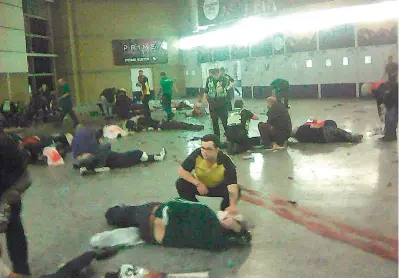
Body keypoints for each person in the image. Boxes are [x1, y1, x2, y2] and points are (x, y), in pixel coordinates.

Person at [105, 198, 251, 250]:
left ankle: (116, 212)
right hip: (154, 239)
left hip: (149, 216)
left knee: (119, 213)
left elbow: (173, 204)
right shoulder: (219, 243)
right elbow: (246, 238)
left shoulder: (204, 212)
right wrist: (236, 227)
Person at [175, 134, 240, 211]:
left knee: (237, 191)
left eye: (209, 149)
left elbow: (232, 187)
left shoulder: (226, 162)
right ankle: (196, 209)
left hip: (218, 187)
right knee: (181, 183)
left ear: (217, 149)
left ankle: (224, 213)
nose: (204, 152)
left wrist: (232, 206)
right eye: (203, 148)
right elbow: (182, 171)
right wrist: (198, 183)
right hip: (201, 186)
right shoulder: (197, 154)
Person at [0, 132, 31, 276]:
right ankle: (21, 271)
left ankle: (17, 271)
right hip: (12, 191)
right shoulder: (8, 141)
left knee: (14, 228)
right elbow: (22, 169)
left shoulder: (5, 143)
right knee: (14, 228)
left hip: (9, 191)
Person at [72, 126, 166, 173]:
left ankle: (154, 157)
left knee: (135, 157)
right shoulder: (98, 145)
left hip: (110, 159)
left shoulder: (80, 145)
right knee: (138, 153)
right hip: (114, 159)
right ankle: (157, 157)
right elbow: (103, 147)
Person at [205, 69, 230, 140]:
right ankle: (216, 138)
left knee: (225, 121)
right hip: (212, 102)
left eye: (216, 74)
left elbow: (221, 88)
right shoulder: (209, 79)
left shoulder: (225, 79)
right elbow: (206, 89)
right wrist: (205, 100)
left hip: (222, 102)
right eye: (213, 75)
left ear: (219, 73)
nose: (215, 76)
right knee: (214, 122)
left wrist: (217, 81)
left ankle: (229, 137)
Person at [292, 119, 363, 143]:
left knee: (338, 137)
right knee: (337, 131)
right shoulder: (302, 128)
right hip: (323, 132)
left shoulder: (300, 139)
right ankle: (352, 137)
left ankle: (349, 138)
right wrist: (312, 121)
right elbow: (313, 122)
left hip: (323, 140)